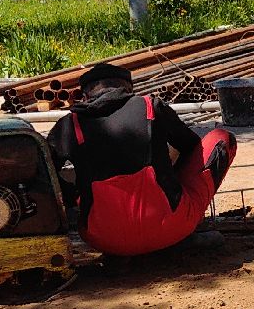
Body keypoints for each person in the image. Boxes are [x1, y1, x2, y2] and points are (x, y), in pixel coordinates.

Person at [48, 63, 237, 257]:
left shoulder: (69, 126)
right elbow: (192, 148)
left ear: (85, 96)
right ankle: (181, 233)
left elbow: (45, 174)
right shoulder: (151, 107)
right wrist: (171, 177)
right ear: (129, 90)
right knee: (221, 138)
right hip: (172, 228)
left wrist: (74, 197)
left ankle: (124, 252)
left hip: (104, 240)